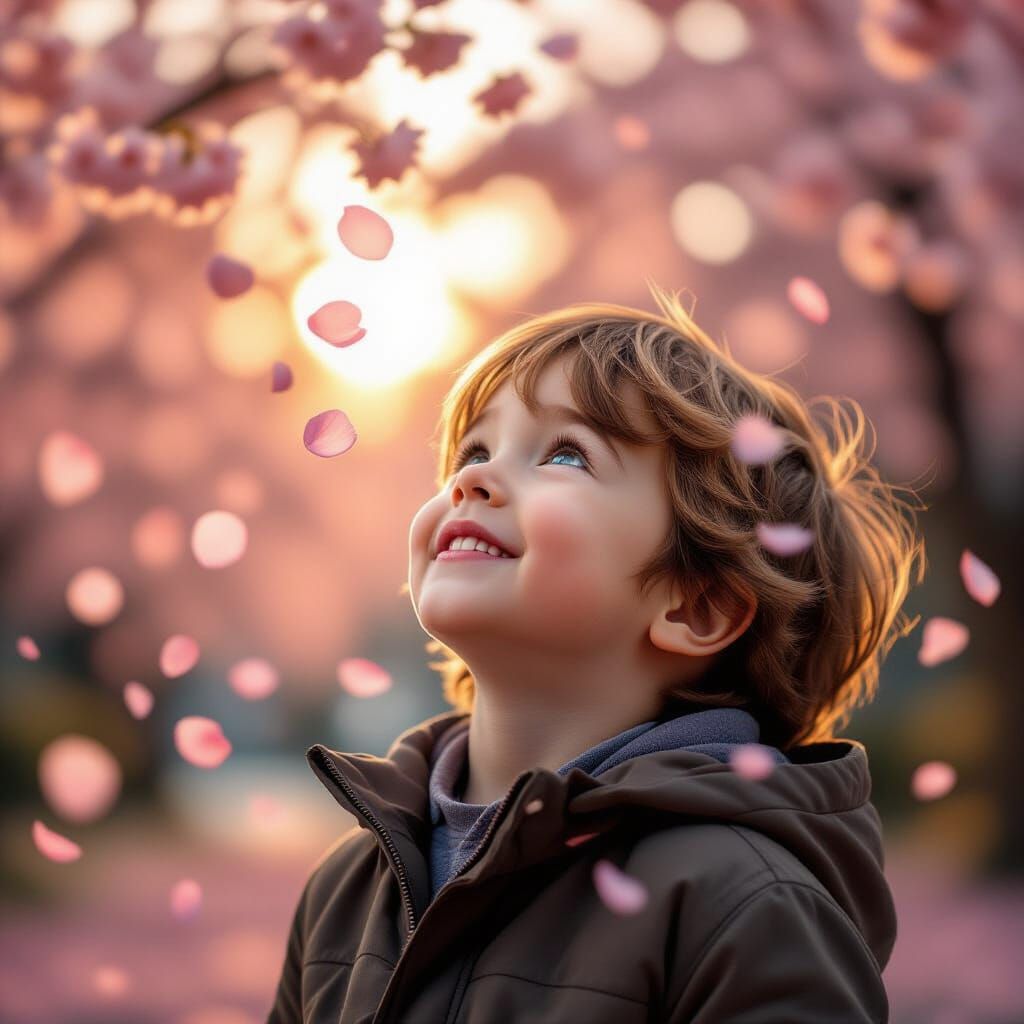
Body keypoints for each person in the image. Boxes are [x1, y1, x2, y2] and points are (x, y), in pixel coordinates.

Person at [267, 281, 926, 1023]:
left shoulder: (744, 904)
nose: (471, 480)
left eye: (566, 456)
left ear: (696, 607)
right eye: (475, 449)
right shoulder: (349, 888)